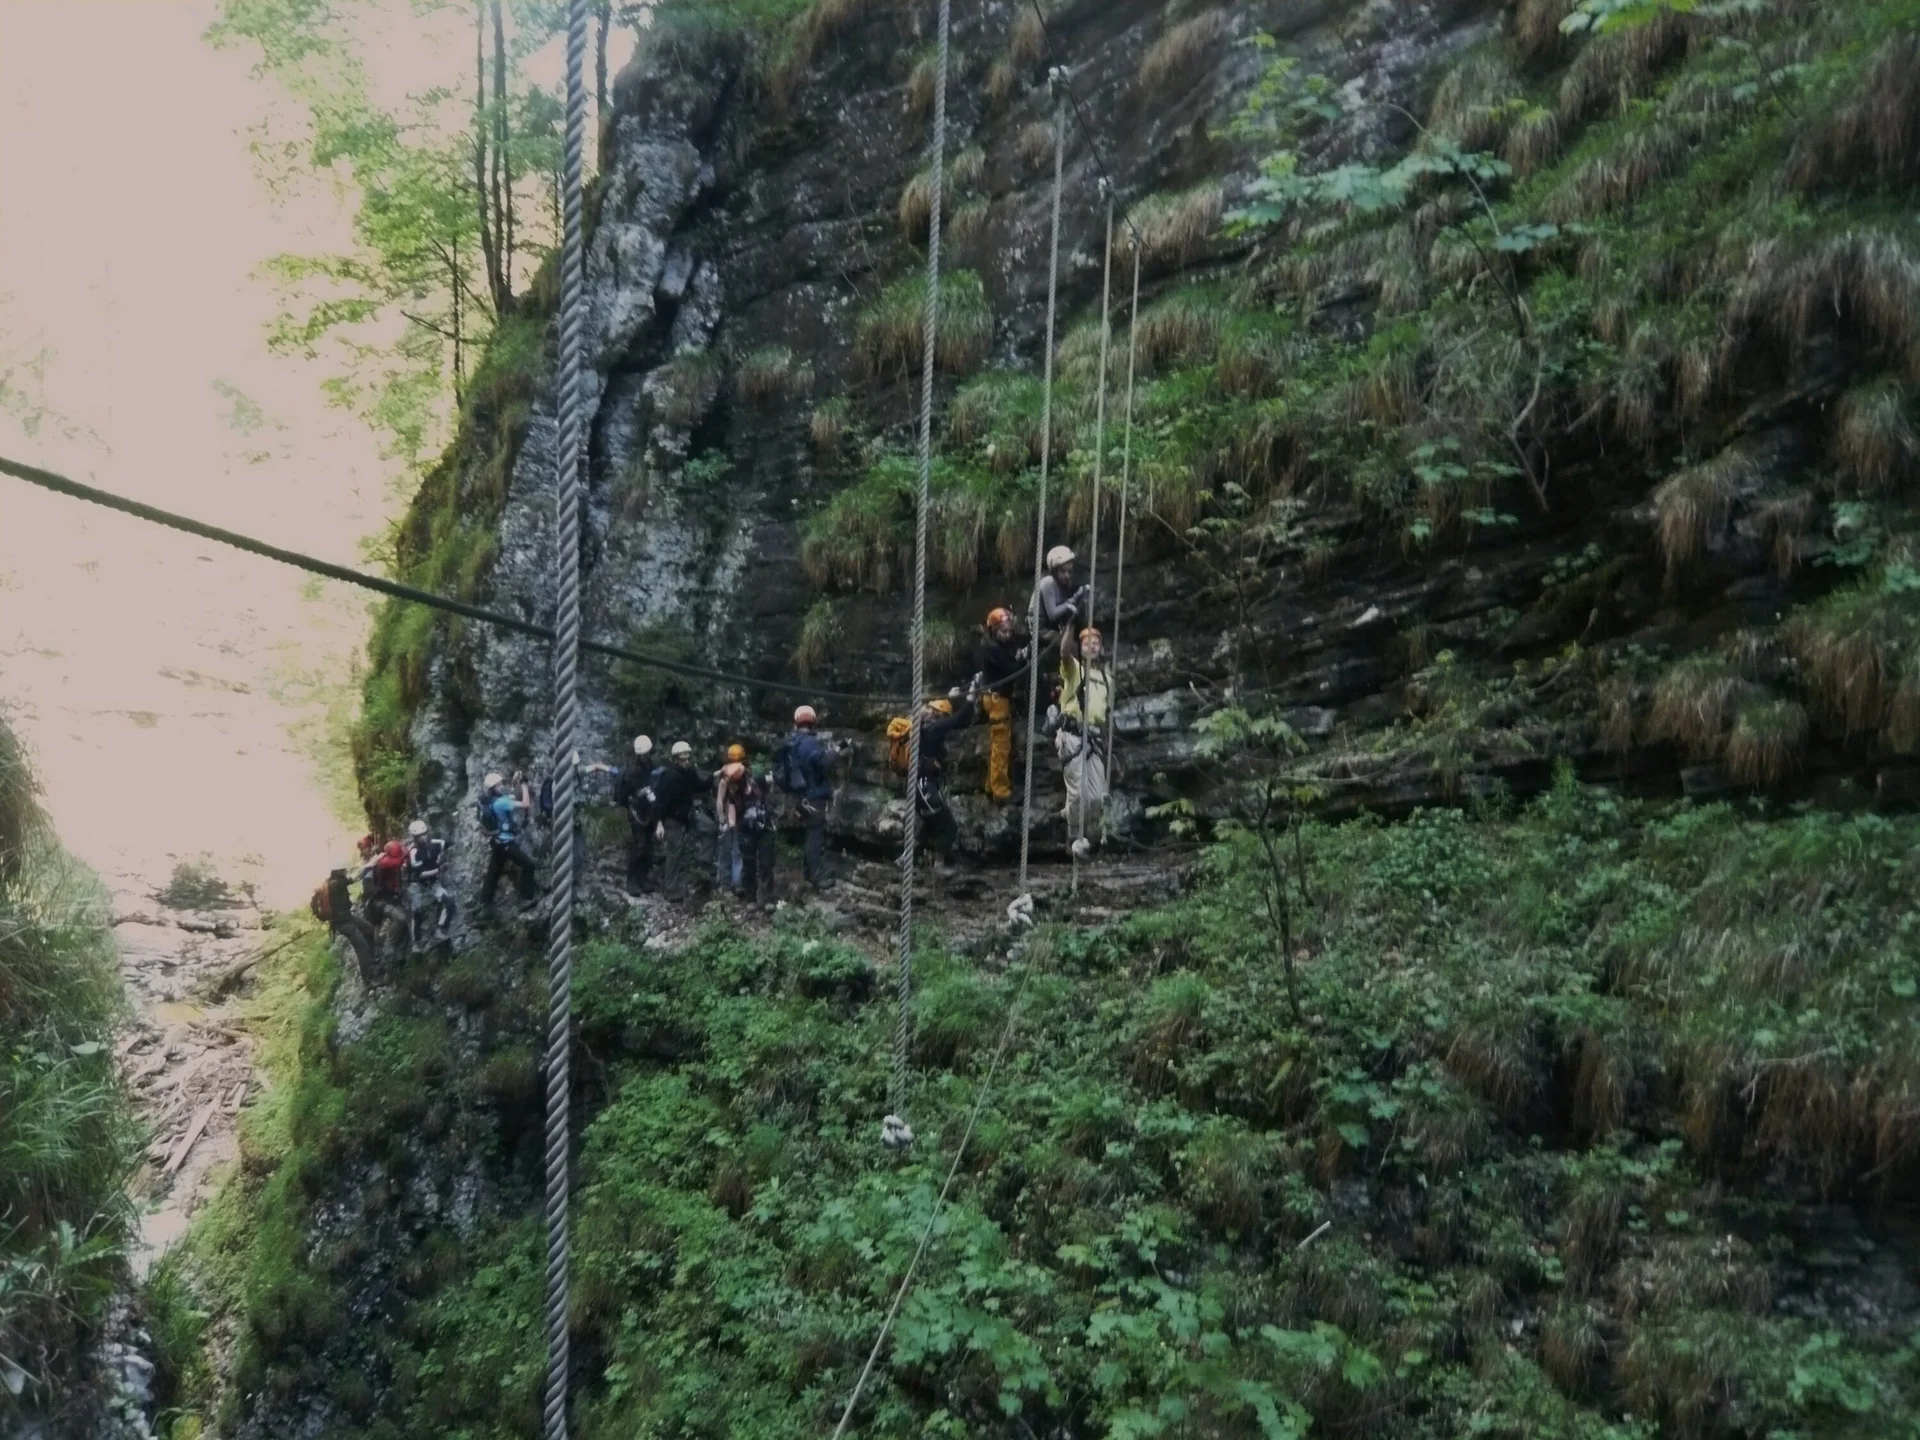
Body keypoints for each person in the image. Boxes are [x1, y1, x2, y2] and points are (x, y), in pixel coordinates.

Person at [1057, 627, 1114, 859]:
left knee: (1098, 797)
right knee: (1079, 794)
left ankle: (1073, 817)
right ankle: (1073, 836)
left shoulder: (1107, 680)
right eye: (1086, 643)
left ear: (1101, 648)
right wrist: (1071, 624)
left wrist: (1109, 747)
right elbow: (1063, 652)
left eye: (1095, 642)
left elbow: (1106, 715)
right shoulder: (1074, 670)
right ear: (1080, 649)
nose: (1091, 646)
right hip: (1072, 735)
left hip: (1094, 739)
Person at [914, 685, 978, 868]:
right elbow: (960, 719)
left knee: (930, 825)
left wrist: (952, 699)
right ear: (940, 715)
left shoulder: (923, 728)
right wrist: (971, 697)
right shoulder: (935, 728)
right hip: (925, 788)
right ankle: (938, 865)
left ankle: (907, 859)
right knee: (949, 827)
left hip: (921, 788)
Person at [585, 735, 658, 894]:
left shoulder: (649, 766)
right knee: (639, 845)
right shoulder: (633, 771)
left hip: (647, 810)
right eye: (644, 754)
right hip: (636, 811)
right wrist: (640, 794)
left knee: (647, 846)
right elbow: (628, 793)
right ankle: (631, 880)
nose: (646, 756)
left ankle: (642, 878)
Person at [774, 704, 834, 890]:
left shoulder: (792, 741)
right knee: (814, 835)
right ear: (813, 721)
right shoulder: (809, 743)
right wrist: (835, 753)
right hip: (814, 795)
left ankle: (809, 872)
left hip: (801, 795)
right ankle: (817, 876)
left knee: (811, 834)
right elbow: (822, 764)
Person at [976, 607, 1027, 803]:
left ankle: (991, 785)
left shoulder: (994, 645)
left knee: (998, 745)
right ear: (993, 631)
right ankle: (1000, 791)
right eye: (1003, 632)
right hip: (998, 701)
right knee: (1001, 746)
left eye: (1009, 631)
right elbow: (1010, 670)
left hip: (996, 698)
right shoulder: (992, 649)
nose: (1007, 635)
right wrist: (1023, 659)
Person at [651, 741, 706, 897]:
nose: (686, 762)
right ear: (676, 760)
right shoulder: (669, 777)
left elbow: (699, 786)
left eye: (688, 759)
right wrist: (659, 823)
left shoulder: (688, 773)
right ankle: (670, 888)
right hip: (671, 820)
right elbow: (660, 802)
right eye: (683, 760)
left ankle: (699, 870)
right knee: (674, 852)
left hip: (684, 817)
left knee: (706, 831)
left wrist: (714, 777)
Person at [478, 770, 538, 909]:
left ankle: (484, 903)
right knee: (529, 865)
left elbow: (512, 796)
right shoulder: (502, 803)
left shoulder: (492, 801)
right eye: (499, 785)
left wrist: (514, 782)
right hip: (506, 843)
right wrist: (524, 785)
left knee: (493, 873)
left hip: (497, 842)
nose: (501, 787)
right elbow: (525, 803)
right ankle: (526, 898)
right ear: (493, 788)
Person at [404, 818, 454, 953]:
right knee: (417, 911)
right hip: (417, 884)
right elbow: (420, 874)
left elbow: (447, 843)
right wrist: (439, 870)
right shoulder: (414, 852)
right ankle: (416, 942)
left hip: (432, 882)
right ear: (415, 838)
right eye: (420, 836)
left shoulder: (434, 844)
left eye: (425, 834)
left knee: (449, 902)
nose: (423, 838)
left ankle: (440, 930)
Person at [1034, 545, 1090, 652]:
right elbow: (1052, 614)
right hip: (1041, 630)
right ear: (1054, 571)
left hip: (1055, 628)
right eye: (1063, 571)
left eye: (1069, 572)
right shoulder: (1048, 583)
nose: (1067, 575)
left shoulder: (1064, 584)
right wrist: (1071, 602)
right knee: (1074, 649)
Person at [737, 765, 776, 906]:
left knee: (766, 863)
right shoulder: (735, 791)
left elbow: (773, 781)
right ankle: (751, 898)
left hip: (765, 829)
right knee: (749, 865)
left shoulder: (759, 782)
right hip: (746, 831)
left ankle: (768, 899)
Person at [714, 744, 750, 894]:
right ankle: (733, 883)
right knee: (734, 851)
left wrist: (722, 818)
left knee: (729, 851)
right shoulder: (743, 773)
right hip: (736, 817)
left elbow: (719, 801)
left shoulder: (725, 774)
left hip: (732, 817)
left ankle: (730, 884)